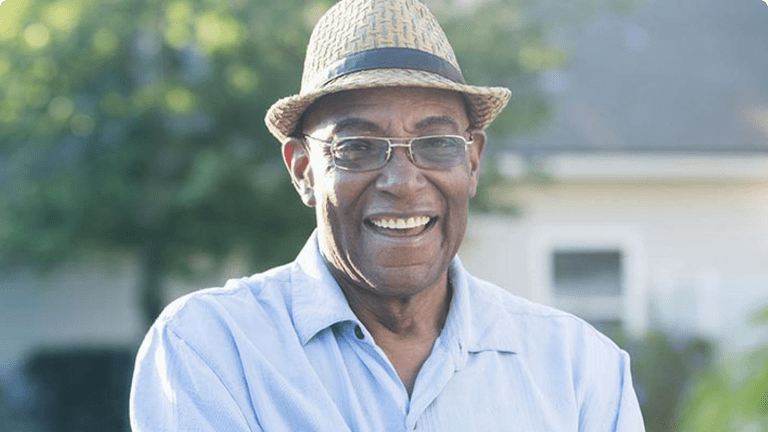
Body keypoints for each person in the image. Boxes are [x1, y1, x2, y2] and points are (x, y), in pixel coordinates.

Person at [129, 0, 646, 430]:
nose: (401, 182)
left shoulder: (581, 371)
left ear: (471, 161)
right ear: (304, 169)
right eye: (357, 147)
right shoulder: (212, 350)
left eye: (436, 143)